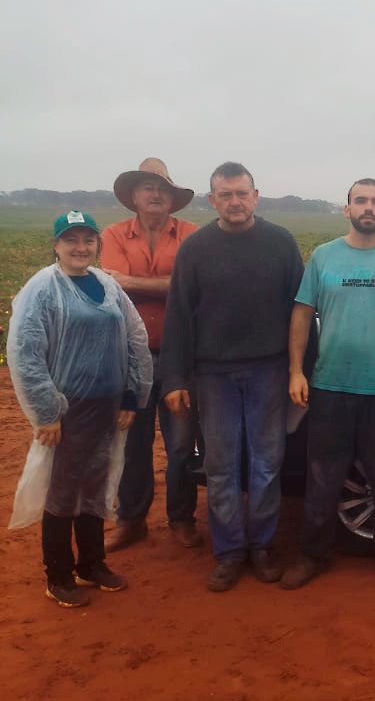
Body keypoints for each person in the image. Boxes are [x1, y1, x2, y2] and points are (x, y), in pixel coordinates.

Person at [160, 163, 304, 592]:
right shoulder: (196, 249)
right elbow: (179, 318)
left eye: (242, 193)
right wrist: (174, 378)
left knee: (266, 464)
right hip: (213, 374)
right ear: (213, 200)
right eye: (226, 195)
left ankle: (261, 546)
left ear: (256, 196)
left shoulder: (280, 244)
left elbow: (301, 311)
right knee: (221, 467)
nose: (235, 202)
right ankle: (228, 552)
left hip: (269, 370)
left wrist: (301, 371)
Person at [282, 178, 375, 590]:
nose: (368, 207)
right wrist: (297, 371)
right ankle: (312, 554)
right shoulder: (325, 258)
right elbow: (301, 315)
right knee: (323, 476)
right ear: (347, 209)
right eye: (360, 201)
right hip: (330, 385)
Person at [7, 211, 153, 607]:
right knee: (64, 489)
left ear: (96, 245)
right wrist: (46, 412)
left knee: (96, 484)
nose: (79, 247)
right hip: (68, 411)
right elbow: (26, 353)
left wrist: (131, 396)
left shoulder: (107, 286)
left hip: (108, 408)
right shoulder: (43, 289)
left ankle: (92, 564)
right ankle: (58, 574)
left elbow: (135, 340)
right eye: (70, 240)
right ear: (55, 245)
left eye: (87, 240)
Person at [100, 158, 199, 551]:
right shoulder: (114, 234)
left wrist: (133, 282)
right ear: (134, 197)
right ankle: (132, 519)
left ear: (173, 198)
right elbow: (114, 288)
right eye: (147, 188)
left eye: (162, 189)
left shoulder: (192, 235)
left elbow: (189, 288)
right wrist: (168, 286)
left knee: (181, 443)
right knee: (132, 442)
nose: (155, 194)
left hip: (180, 356)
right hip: (131, 357)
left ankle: (181, 518)